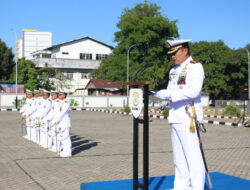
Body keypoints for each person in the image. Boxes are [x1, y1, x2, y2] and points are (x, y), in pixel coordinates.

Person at [151, 39, 205, 190]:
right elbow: (169, 92)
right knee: (179, 158)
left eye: (175, 53)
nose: (172, 56)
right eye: (171, 53)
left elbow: (194, 91)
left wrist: (170, 95)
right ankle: (181, 186)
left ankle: (197, 187)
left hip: (189, 118)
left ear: (185, 51)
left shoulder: (195, 67)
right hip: (175, 117)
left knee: (193, 158)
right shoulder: (174, 70)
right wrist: (154, 94)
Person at [51, 89, 72, 157]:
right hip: (61, 123)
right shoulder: (61, 102)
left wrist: (55, 121)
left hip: (65, 124)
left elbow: (61, 114)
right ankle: (64, 151)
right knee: (62, 138)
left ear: (64, 95)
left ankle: (68, 152)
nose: (59, 96)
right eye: (59, 94)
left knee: (66, 138)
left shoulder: (66, 103)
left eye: (60, 94)